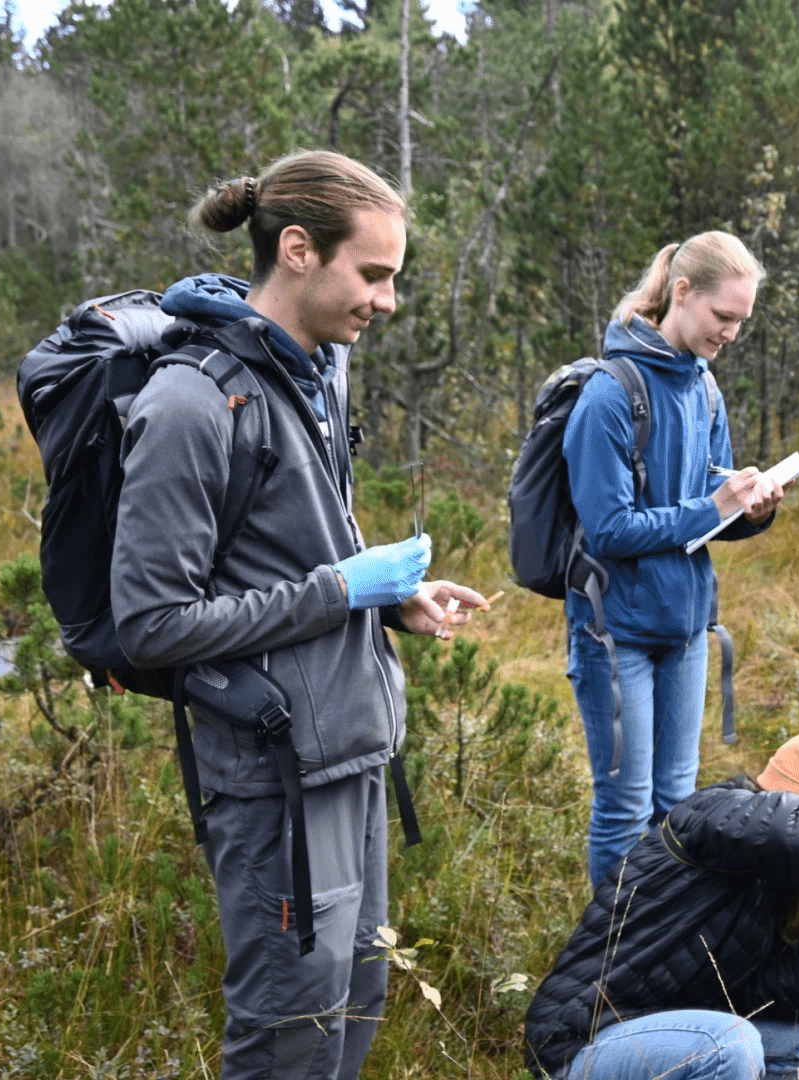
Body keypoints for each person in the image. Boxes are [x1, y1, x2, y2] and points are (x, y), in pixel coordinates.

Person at [111, 149, 488, 1079]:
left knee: (353, 1005)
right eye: (374, 274)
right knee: (289, 1031)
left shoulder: (318, 373)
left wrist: (391, 602)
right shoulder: (192, 402)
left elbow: (289, 555)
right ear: (297, 250)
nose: (388, 300)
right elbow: (150, 625)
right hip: (273, 775)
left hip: (352, 745)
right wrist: (341, 591)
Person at [565, 231, 789, 887]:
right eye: (724, 317)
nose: (732, 333)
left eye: (742, 321)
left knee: (677, 807)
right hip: (616, 634)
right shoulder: (608, 394)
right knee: (626, 809)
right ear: (682, 294)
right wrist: (709, 506)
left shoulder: (706, 390)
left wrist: (752, 510)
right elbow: (607, 529)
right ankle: (606, 964)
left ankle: (658, 945)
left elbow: (705, 520)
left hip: (687, 628)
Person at [524, 724, 799, 1080]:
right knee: (730, 1043)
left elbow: (767, 998)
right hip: (583, 1044)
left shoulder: (779, 880)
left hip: (675, 1032)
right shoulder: (715, 814)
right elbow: (784, 829)